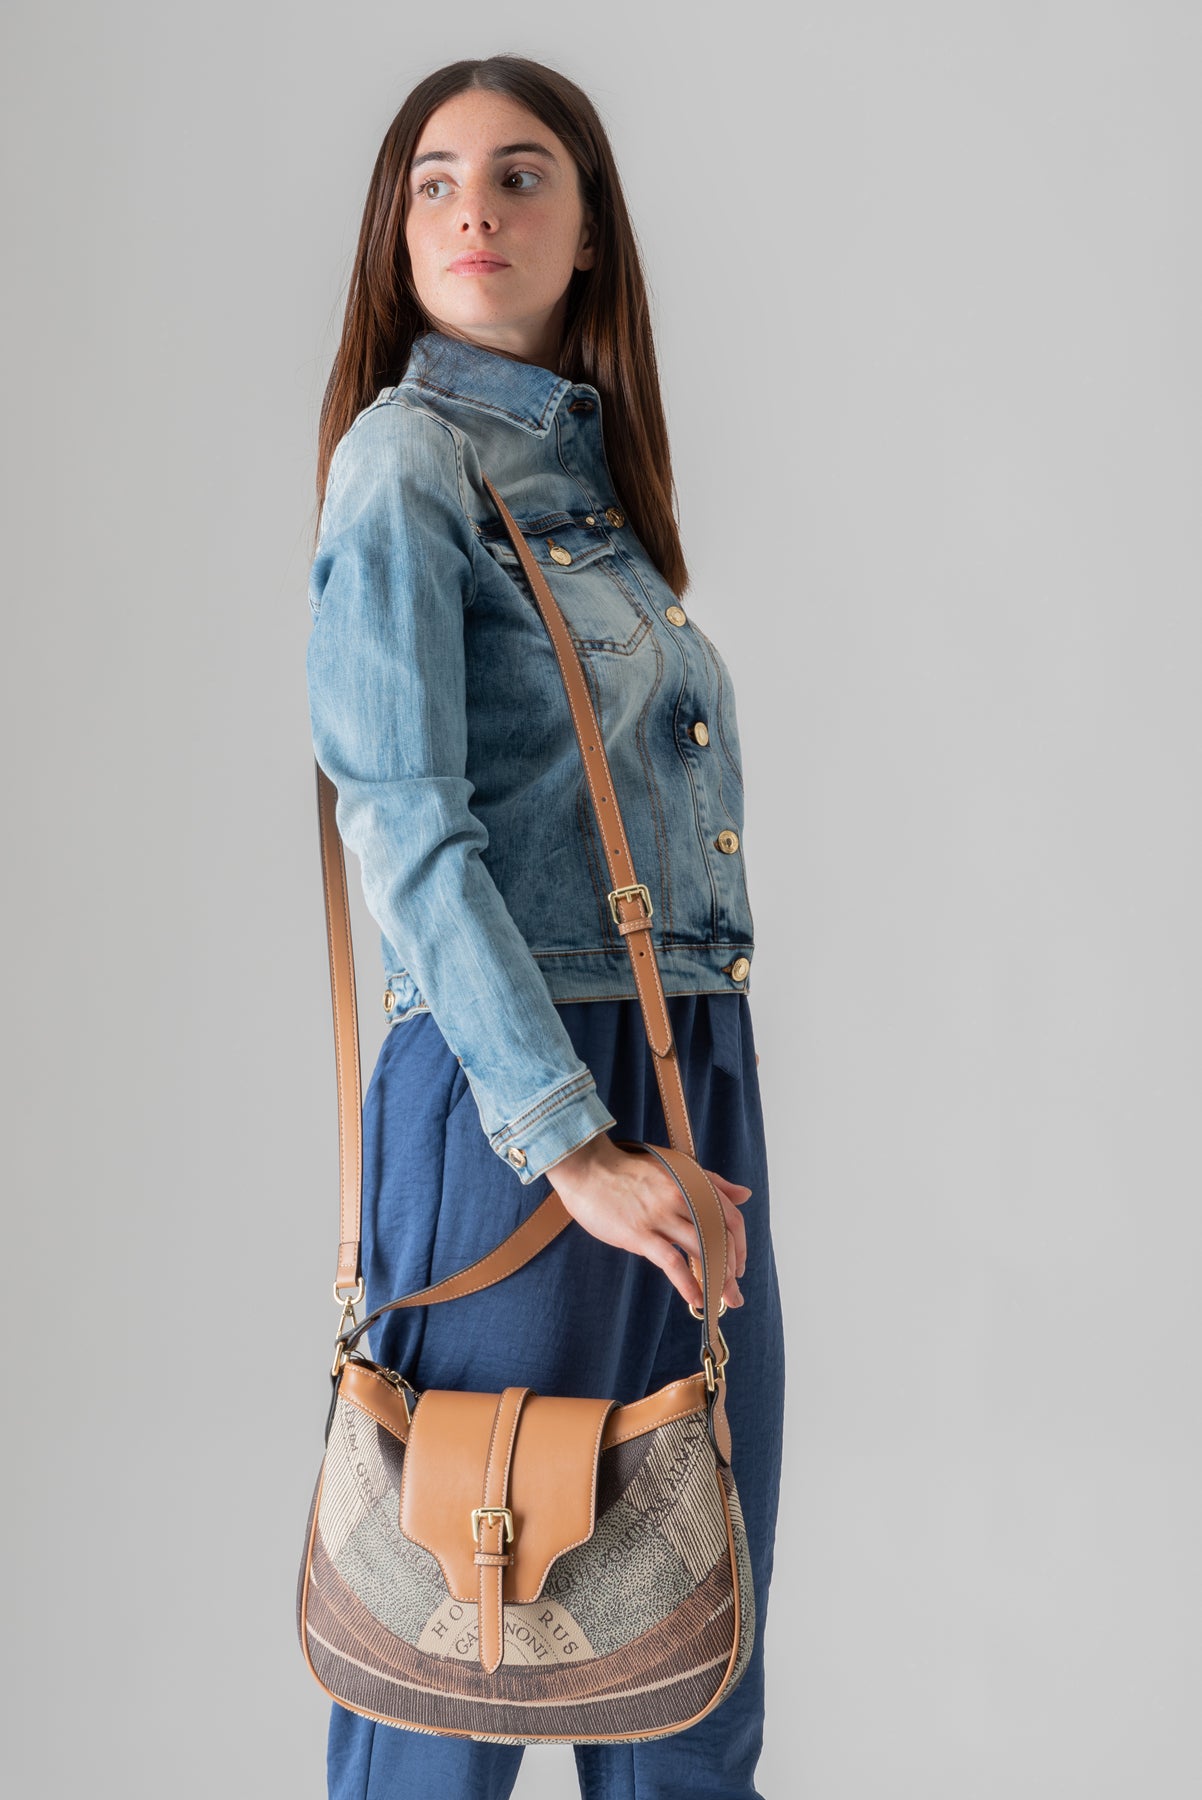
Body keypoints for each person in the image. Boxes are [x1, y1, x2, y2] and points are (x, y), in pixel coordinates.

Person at [306, 52, 786, 1800]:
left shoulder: (595, 494)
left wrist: (654, 1118)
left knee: (688, 1672)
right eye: (432, 183)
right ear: (396, 232)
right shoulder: (404, 464)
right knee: (450, 1672)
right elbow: (401, 826)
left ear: (587, 233)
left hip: (685, 1064)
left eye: (519, 176)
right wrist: (572, 1146)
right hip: (516, 1100)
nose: (472, 211)